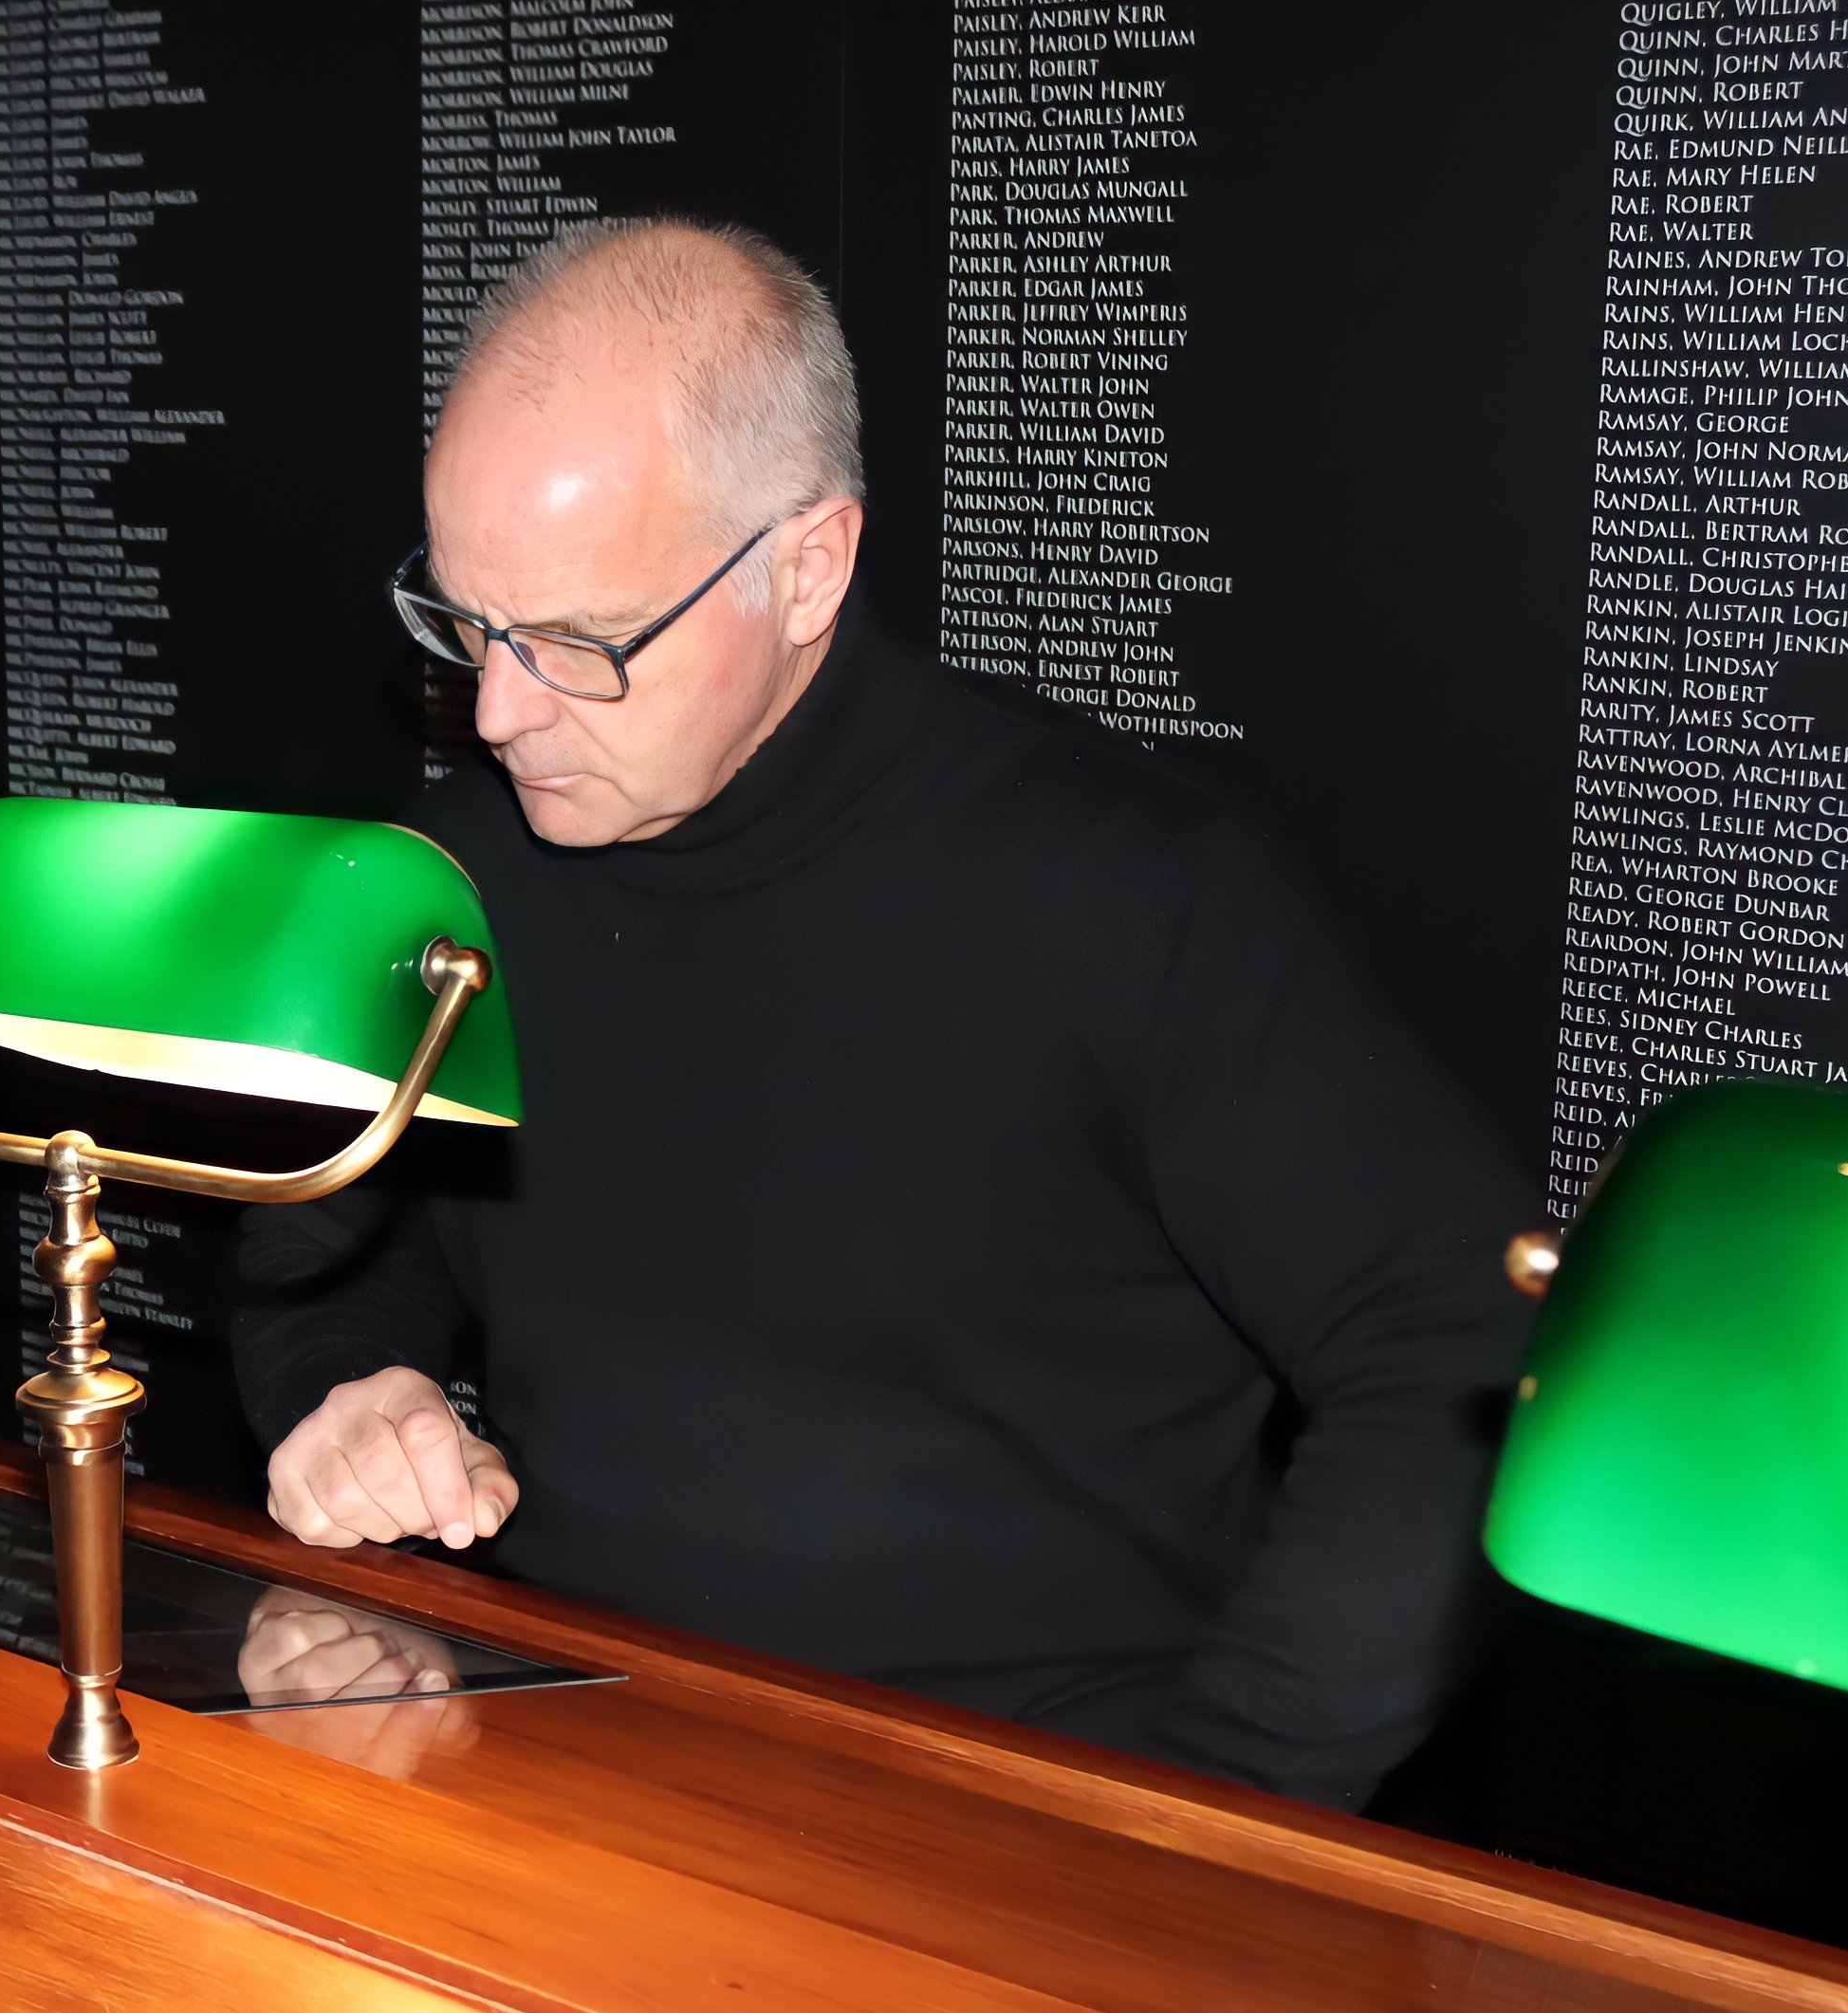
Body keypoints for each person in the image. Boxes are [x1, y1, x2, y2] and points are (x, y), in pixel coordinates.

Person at [234, 220, 1533, 1809]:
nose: (500, 709)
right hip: (569, 1764)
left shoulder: (1124, 893)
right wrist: (352, 1397)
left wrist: (1211, 1822)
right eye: (464, 621)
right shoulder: (449, 874)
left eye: (578, 643)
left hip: (1019, 1814)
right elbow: (326, 1276)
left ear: (806, 567)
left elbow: (1458, 1345)